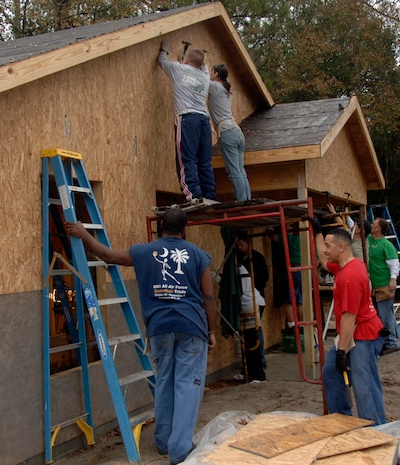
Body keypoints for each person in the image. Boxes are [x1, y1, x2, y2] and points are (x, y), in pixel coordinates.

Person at [65, 208, 218, 465]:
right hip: (192, 327)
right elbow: (209, 297)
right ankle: (179, 450)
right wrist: (212, 330)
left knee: (165, 382)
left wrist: (83, 234)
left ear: (160, 226)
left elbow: (108, 255)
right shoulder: (198, 255)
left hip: (159, 327)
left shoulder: (145, 252)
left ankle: (163, 441)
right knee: (187, 386)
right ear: (184, 229)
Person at [306, 216, 386, 424]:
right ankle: (342, 420)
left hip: (362, 336)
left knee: (364, 386)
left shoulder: (350, 276)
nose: (326, 249)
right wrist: (317, 232)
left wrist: (342, 351)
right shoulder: (344, 265)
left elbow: (349, 318)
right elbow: (323, 261)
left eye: (329, 246)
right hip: (352, 333)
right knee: (332, 373)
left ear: (341, 247)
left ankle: (375, 431)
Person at [158, 41, 216, 202]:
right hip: (204, 120)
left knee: (186, 158)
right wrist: (194, 60)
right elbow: (202, 65)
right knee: (204, 161)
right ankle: (209, 195)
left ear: (188, 59)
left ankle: (193, 196)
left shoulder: (178, 68)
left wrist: (164, 49)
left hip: (187, 118)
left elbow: (162, 61)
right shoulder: (205, 77)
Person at [207, 63, 251, 201]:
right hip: (236, 132)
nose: (209, 73)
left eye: (212, 72)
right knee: (240, 170)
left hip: (228, 133)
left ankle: (242, 202)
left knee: (234, 172)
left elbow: (200, 79)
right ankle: (247, 200)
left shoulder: (215, 87)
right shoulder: (225, 88)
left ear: (216, 74)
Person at [235, 233, 269, 381]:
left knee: (255, 333)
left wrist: (256, 287)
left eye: (242, 244)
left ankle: (259, 367)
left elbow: (264, 277)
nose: (239, 248)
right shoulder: (237, 259)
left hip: (255, 299)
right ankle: (249, 369)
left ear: (248, 243)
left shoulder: (256, 258)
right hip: (248, 300)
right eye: (238, 245)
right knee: (248, 335)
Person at [368, 217, 400, 355]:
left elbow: (394, 263)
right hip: (373, 285)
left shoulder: (386, 245)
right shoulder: (368, 239)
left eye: (374, 223)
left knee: (386, 315)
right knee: (378, 315)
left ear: (378, 228)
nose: (371, 224)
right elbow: (354, 228)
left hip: (383, 285)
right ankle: (383, 341)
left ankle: (392, 342)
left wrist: (393, 279)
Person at [270, 228, 303, 332]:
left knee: (288, 300)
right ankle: (302, 325)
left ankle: (292, 325)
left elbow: (274, 237)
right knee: (300, 301)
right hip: (302, 270)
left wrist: (270, 230)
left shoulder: (288, 238)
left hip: (290, 270)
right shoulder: (304, 239)